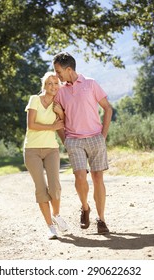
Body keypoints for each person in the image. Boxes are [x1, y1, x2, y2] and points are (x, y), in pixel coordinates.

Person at [53, 52, 113, 234]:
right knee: (80, 177)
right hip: (74, 141)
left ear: (68, 69)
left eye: (58, 71)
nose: (57, 76)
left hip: (95, 138)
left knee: (97, 178)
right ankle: (85, 207)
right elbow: (58, 120)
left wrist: (103, 135)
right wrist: (66, 141)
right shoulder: (60, 91)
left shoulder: (91, 84)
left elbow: (108, 108)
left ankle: (101, 219)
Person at [23, 71, 68, 240]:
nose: (53, 86)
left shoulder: (58, 104)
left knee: (55, 186)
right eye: (49, 83)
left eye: (56, 83)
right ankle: (50, 227)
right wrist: (52, 126)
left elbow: (62, 125)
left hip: (51, 149)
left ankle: (56, 215)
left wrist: (61, 114)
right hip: (32, 149)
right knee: (41, 188)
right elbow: (32, 124)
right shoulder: (34, 99)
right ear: (44, 85)